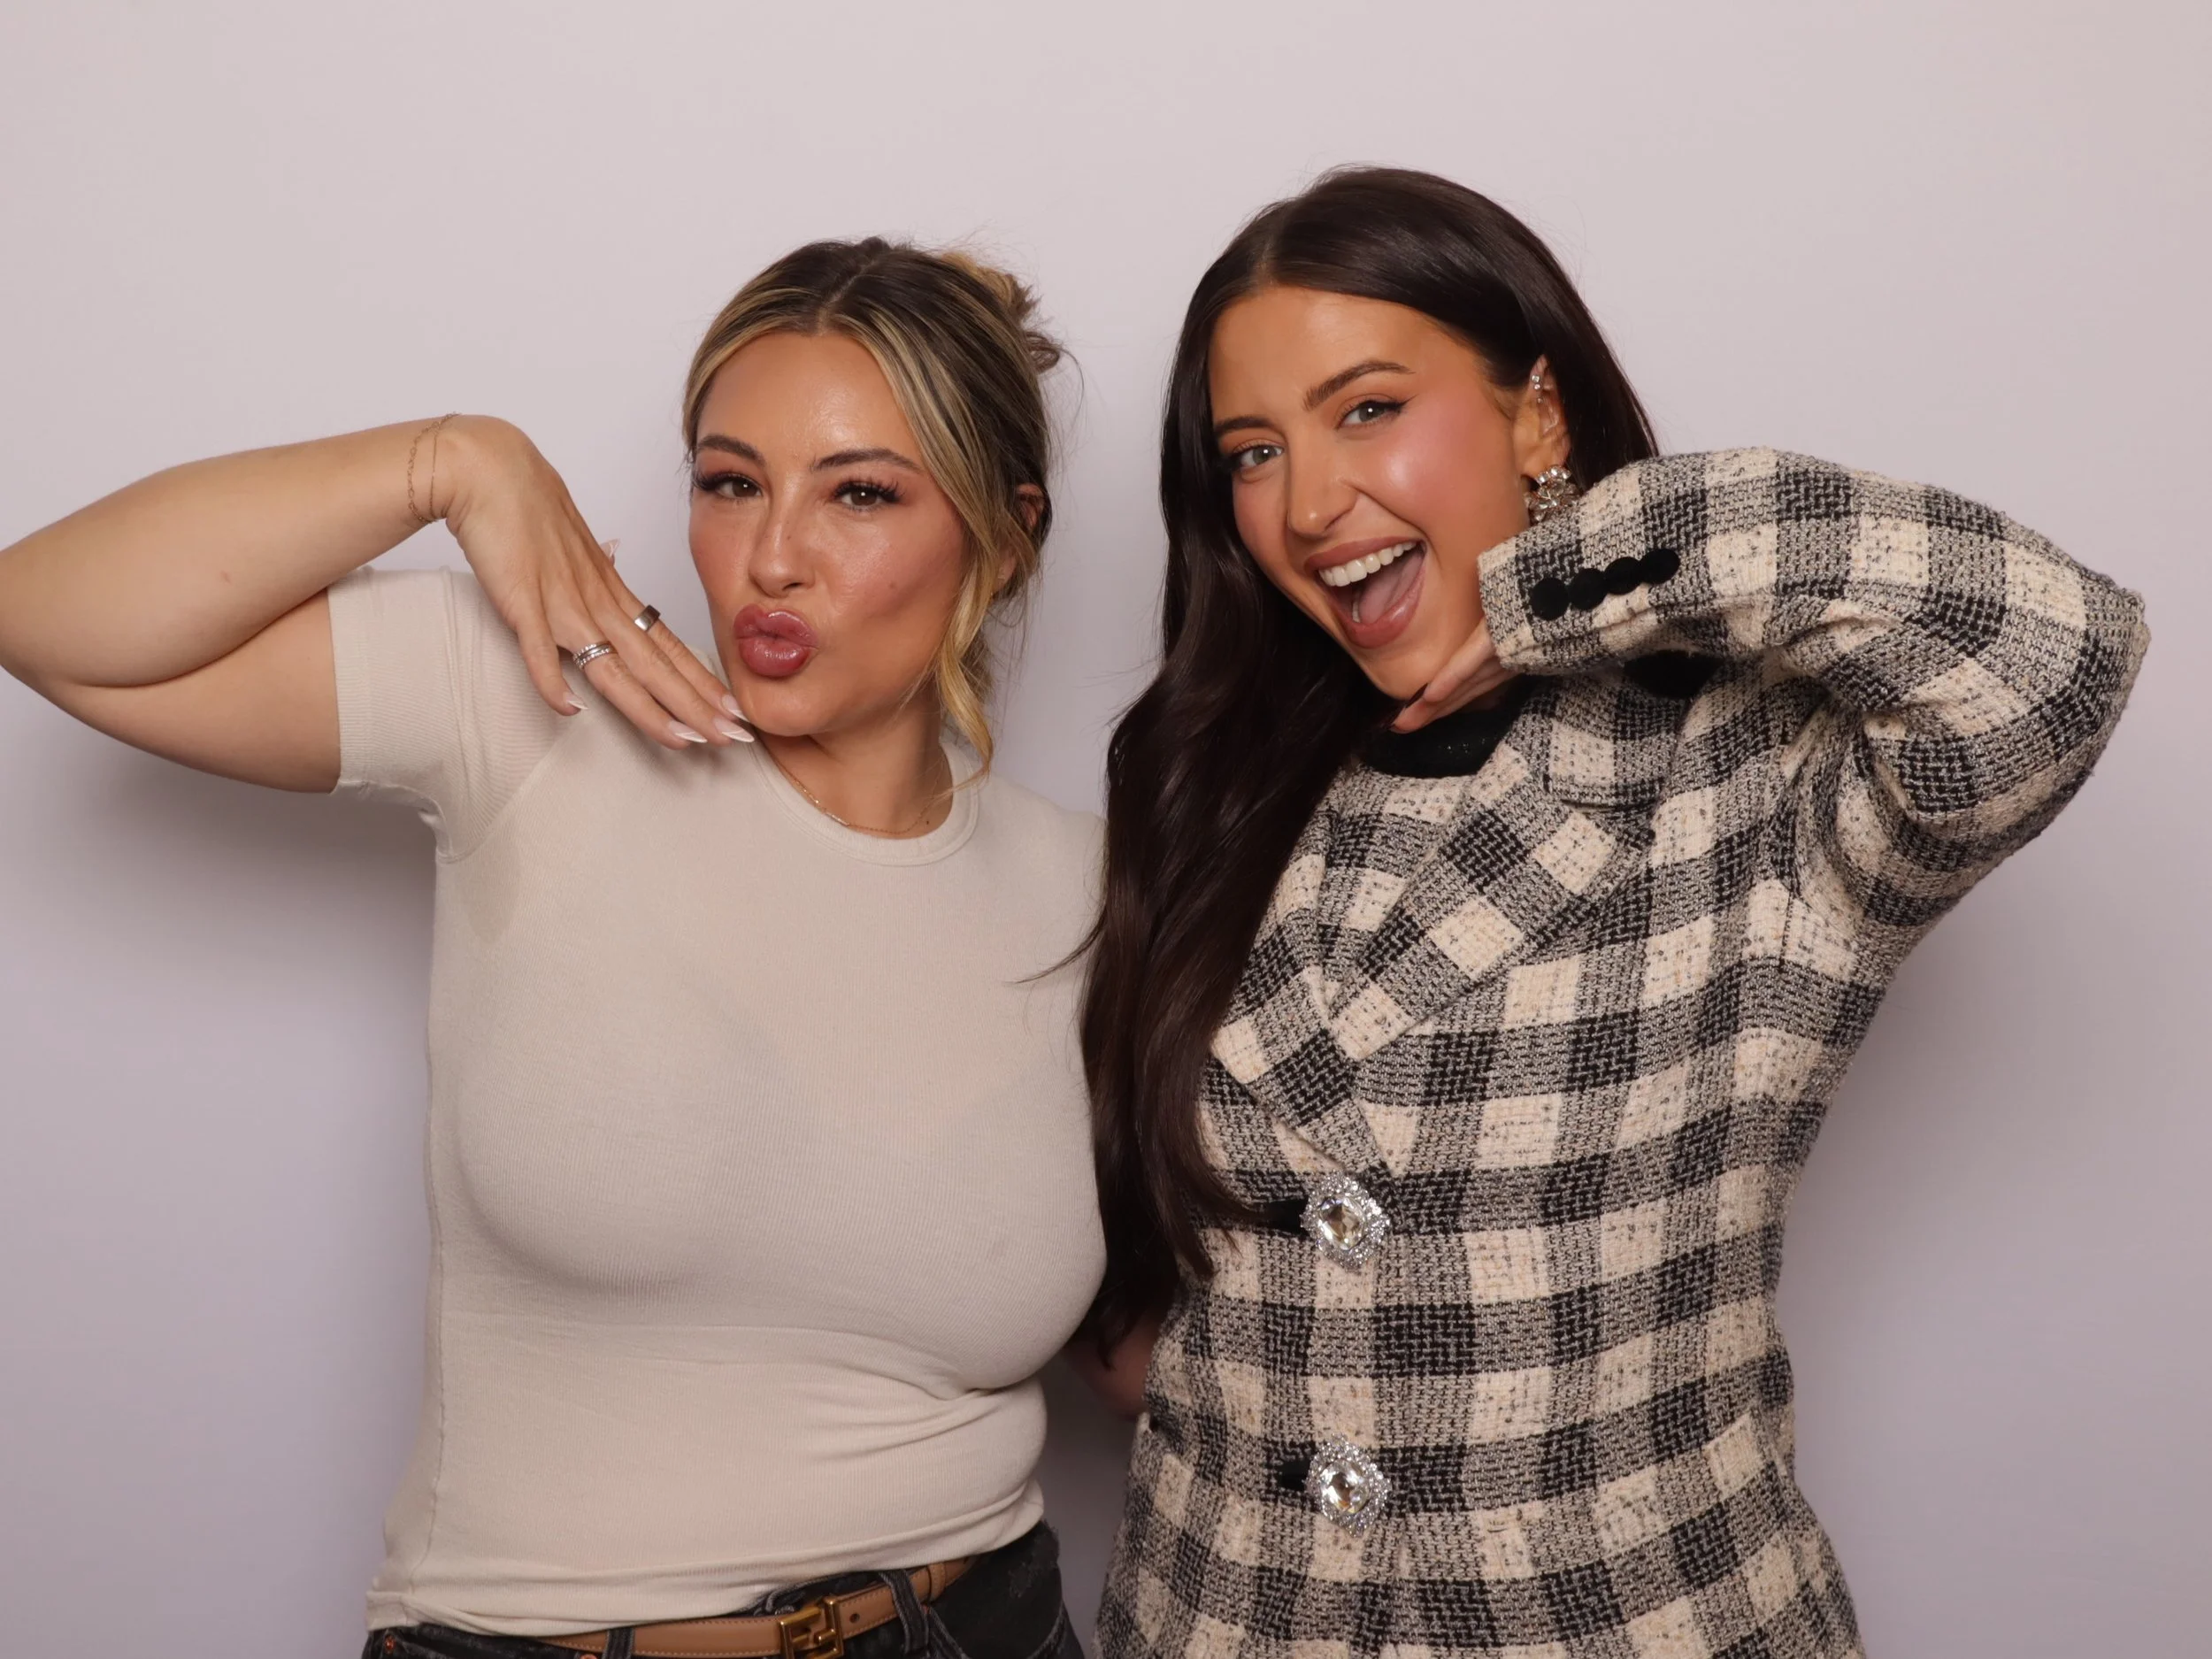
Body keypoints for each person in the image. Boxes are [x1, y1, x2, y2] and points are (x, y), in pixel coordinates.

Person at [1075, 168, 2147, 1658]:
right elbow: (1132, 1249)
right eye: (1253, 450)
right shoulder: (1206, 779)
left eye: (1369, 408)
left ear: (1538, 416)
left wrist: (1564, 576)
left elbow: (2056, 647)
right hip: (1222, 1619)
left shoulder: (1756, 766)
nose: (1310, 503)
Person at [0, 239, 1102, 1659]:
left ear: (1006, 535)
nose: (772, 556)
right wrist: (452, 463)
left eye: (862, 494)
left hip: (984, 1623)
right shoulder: (538, 710)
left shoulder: (1088, 890)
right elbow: (52, 616)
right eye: (730, 481)